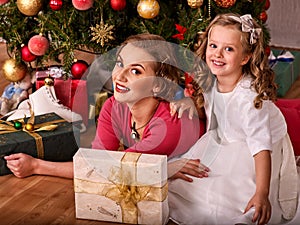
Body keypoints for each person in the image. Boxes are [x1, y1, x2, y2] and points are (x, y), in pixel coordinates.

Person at [4, 33, 209, 179]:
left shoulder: (169, 123)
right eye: (120, 63)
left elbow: (110, 170)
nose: (119, 76)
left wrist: (37, 166)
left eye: (135, 71)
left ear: (156, 85)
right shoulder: (114, 106)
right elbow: (98, 160)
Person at [168, 13, 298, 225]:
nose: (217, 54)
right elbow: (216, 111)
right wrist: (191, 103)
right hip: (223, 138)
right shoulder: (212, 79)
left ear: (245, 58)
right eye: (213, 46)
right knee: (185, 184)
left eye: (228, 49)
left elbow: (261, 147)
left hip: (253, 148)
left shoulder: (248, 99)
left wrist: (262, 193)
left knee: (232, 194)